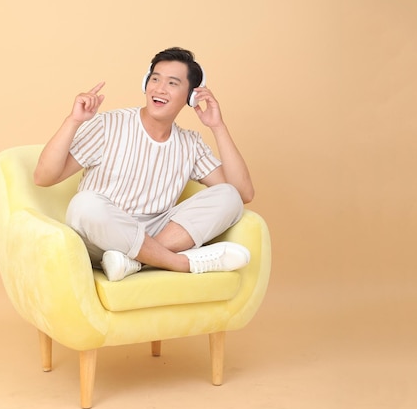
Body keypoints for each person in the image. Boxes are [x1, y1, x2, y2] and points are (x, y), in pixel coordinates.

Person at [33, 47, 254, 281]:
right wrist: (74, 121)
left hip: (154, 233)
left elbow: (243, 193)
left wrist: (217, 126)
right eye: (155, 79)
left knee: (228, 195)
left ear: (191, 96)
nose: (159, 88)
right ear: (145, 84)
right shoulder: (108, 124)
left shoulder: (191, 143)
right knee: (84, 204)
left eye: (172, 83)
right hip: (101, 239)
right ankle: (179, 262)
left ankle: (134, 261)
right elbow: (43, 177)